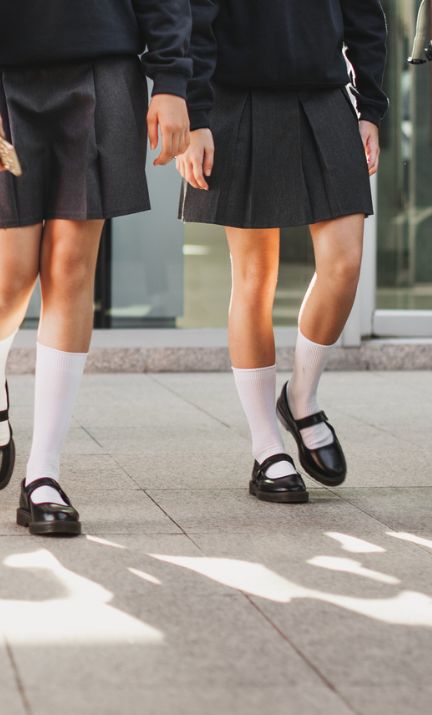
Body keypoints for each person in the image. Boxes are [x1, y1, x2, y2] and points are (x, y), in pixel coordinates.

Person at [0, 0, 191, 535]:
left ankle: (42, 476)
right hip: (0, 80)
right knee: (9, 280)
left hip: (105, 70)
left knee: (71, 268)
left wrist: (172, 77)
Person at [178, 0, 387, 503]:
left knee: (345, 263)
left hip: (326, 98)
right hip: (237, 98)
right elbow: (191, 21)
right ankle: (266, 447)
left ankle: (301, 398)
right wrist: (195, 115)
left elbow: (364, 15)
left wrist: (370, 108)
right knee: (255, 277)